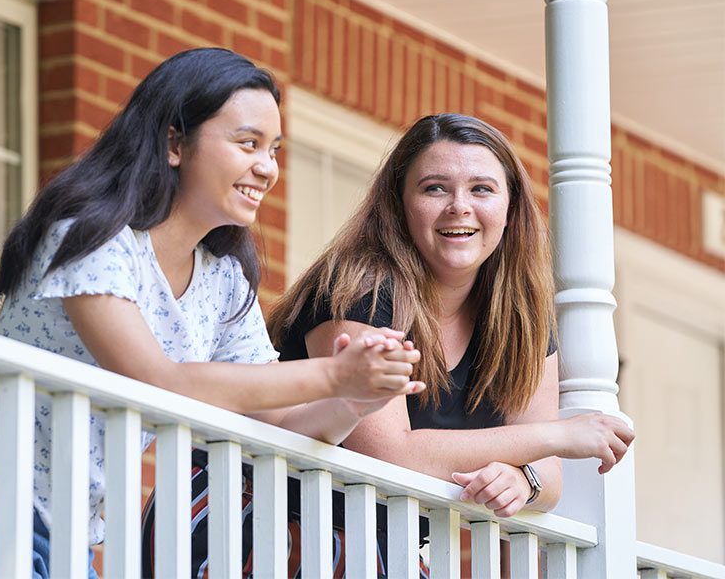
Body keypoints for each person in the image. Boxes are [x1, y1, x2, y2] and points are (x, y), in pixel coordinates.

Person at [0, 48, 422, 579]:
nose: (268, 167)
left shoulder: (222, 280)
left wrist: (350, 402)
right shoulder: (94, 235)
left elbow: (280, 421)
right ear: (173, 143)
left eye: (274, 149)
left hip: (73, 530)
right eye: (247, 143)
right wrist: (332, 372)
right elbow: (153, 380)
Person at [268, 113, 635, 574]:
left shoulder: (521, 317)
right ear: (399, 204)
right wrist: (559, 436)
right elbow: (388, 454)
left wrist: (524, 478)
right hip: (275, 529)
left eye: (481, 189)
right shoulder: (360, 290)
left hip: (384, 546)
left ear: (511, 209)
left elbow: (550, 478)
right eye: (434, 188)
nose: (459, 206)